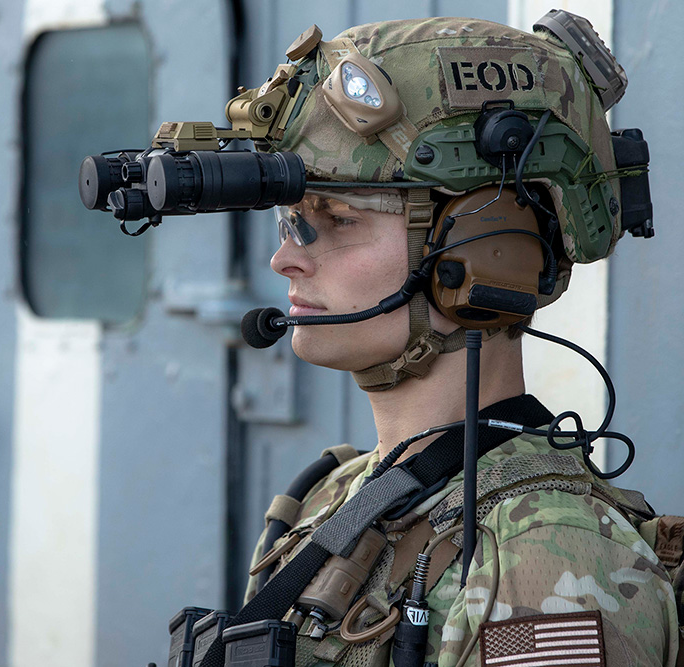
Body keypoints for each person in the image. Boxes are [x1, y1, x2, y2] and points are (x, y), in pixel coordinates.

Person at [236, 13, 680, 667]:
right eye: (292, 222)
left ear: (482, 251)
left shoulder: (544, 556)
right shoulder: (336, 496)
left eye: (338, 219)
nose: (287, 260)